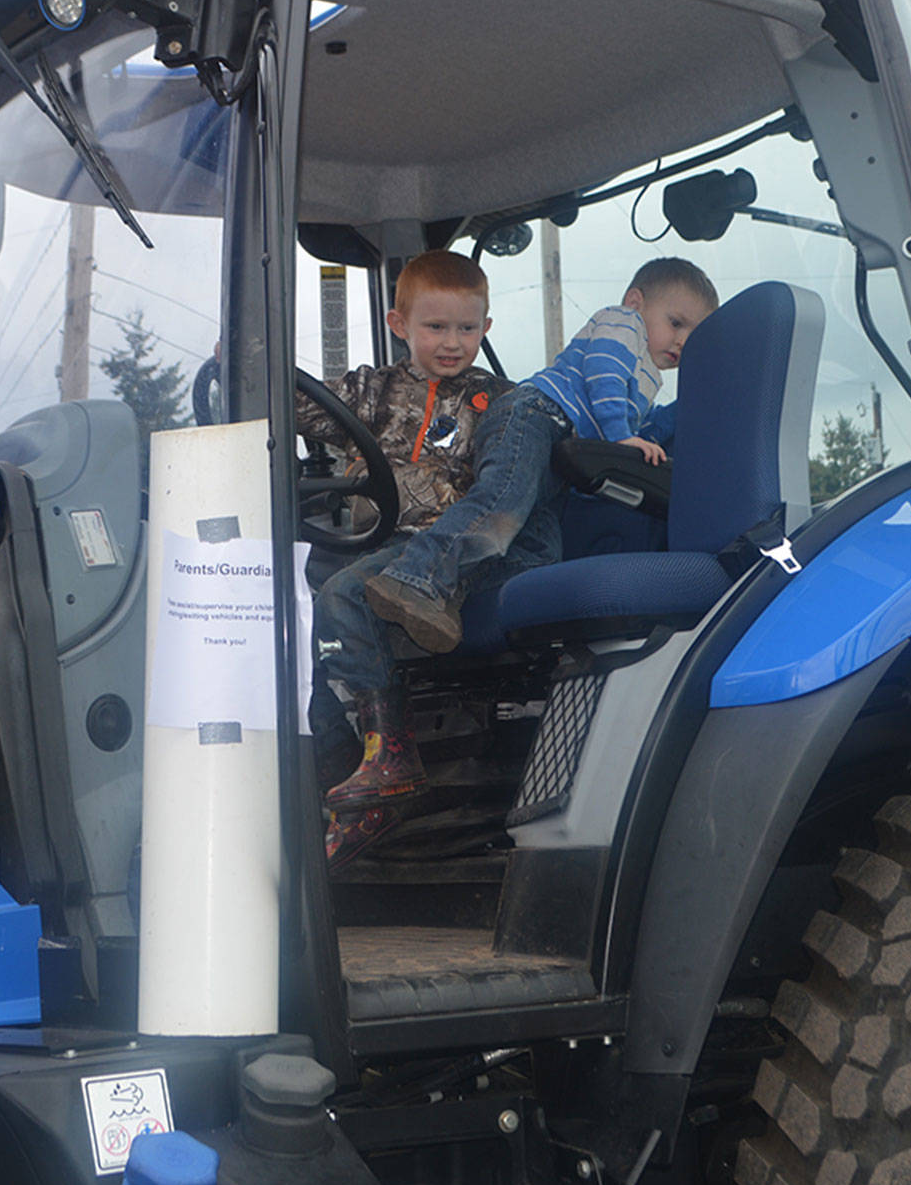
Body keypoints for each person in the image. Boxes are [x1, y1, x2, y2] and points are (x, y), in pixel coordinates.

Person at [362, 257, 718, 658]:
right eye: (676, 323)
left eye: (695, 336)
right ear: (636, 301)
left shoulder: (646, 376)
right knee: (501, 506)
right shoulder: (623, 325)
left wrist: (696, 403)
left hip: (555, 458)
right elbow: (603, 375)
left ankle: (440, 597)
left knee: (539, 554)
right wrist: (621, 436)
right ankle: (415, 576)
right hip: (535, 417)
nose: (682, 341)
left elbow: (642, 430)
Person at [302, 251, 511, 864]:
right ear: (399, 325)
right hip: (375, 541)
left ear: (486, 329)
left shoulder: (494, 400)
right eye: (436, 327)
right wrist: (243, 359)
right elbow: (295, 403)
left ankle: (389, 756)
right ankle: (344, 773)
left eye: (467, 329)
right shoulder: (373, 390)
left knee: (343, 595)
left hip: (438, 553)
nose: (453, 343)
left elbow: (524, 457)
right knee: (283, 628)